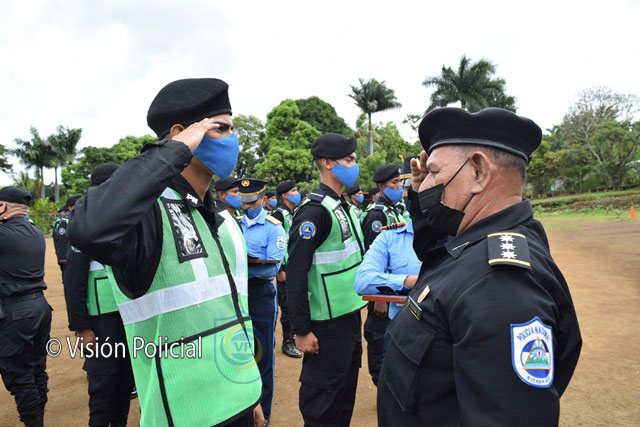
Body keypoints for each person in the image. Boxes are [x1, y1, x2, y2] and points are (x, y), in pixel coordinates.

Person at [68, 78, 264, 427]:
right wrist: (173, 152)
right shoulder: (147, 214)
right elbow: (88, 228)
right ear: (180, 135)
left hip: (240, 396)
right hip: (182, 414)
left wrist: (251, 389)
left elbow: (234, 311)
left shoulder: (223, 217)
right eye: (221, 128)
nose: (233, 139)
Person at [377, 107, 582, 426]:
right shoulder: (478, 239)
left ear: (478, 172)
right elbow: (436, 250)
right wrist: (421, 196)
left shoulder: (498, 286)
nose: (424, 184)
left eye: (434, 172)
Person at [287, 133, 366, 427]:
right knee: (323, 404)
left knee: (344, 400)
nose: (354, 165)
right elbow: (295, 272)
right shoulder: (314, 212)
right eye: (349, 159)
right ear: (328, 163)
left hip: (349, 318)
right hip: (325, 326)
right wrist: (301, 329)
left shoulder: (342, 206)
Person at [63, 163, 135, 427]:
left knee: (126, 381)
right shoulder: (84, 221)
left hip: (130, 317)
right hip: (101, 322)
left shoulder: (127, 216)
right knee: (103, 385)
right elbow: (74, 282)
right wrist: (82, 328)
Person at [236, 178, 287, 427]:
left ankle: (264, 411)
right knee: (238, 351)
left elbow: (271, 269)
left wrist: (245, 266)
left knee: (262, 353)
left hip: (260, 294)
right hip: (238, 294)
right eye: (243, 201)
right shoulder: (234, 225)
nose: (247, 206)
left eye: (252, 201)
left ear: (264, 200)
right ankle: (243, 407)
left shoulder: (273, 228)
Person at [0, 186, 52, 427]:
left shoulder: (4, 234)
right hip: (39, 307)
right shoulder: (35, 231)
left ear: (2, 206)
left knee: (19, 375)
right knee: (36, 369)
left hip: (16, 312)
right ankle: (38, 418)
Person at [354, 220, 421, 385]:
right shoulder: (391, 236)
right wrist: (408, 281)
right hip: (401, 333)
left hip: (448, 336)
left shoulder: (459, 233)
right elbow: (362, 281)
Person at [271, 180, 303, 358]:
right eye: (293, 191)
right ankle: (287, 342)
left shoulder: (294, 212)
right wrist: (280, 268)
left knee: (297, 302)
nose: (297, 193)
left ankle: (296, 338)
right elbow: (278, 243)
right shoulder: (279, 214)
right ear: (284, 195)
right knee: (287, 306)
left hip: (296, 265)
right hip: (285, 267)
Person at [52, 195, 81, 277]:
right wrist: (63, 257)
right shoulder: (63, 223)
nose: (63, 213)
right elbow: (62, 242)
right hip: (67, 257)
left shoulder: (74, 221)